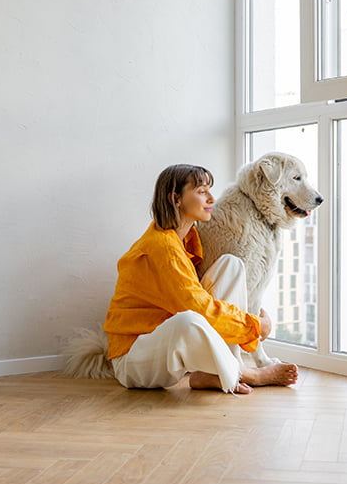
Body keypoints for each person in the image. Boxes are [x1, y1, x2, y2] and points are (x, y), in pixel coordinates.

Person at [103, 164, 299, 394]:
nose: (211, 198)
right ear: (176, 199)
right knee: (188, 320)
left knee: (231, 265)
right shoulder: (163, 246)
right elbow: (198, 308)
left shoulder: (185, 237)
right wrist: (255, 327)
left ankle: (216, 373)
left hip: (163, 344)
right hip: (135, 360)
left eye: (209, 190)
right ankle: (246, 373)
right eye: (201, 191)